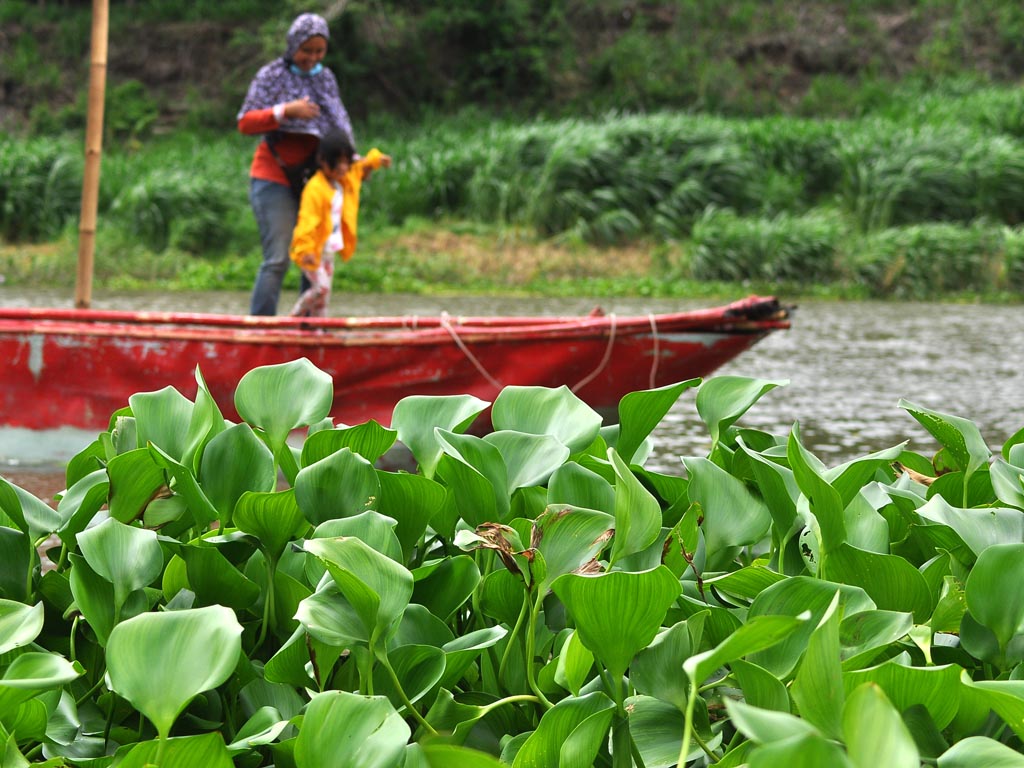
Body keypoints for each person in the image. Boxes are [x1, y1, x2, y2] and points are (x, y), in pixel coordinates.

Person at [237, 12, 355, 316]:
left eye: (319, 51)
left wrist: (355, 164)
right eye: (306, 50)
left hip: (314, 181)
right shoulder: (271, 75)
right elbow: (245, 122)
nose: (311, 57)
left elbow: (339, 127)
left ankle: (306, 328)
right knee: (277, 258)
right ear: (292, 46)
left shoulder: (325, 78)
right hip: (273, 175)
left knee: (311, 254)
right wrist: (284, 111)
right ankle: (259, 331)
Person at [289, 130, 392, 317]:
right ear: (323, 161)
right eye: (338, 162)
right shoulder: (315, 189)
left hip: (329, 250)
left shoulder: (343, 181)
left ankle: (320, 331)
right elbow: (307, 220)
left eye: (346, 162)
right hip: (312, 251)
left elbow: (361, 166)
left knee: (325, 298)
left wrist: (376, 160)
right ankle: (293, 318)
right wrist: (306, 249)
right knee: (321, 288)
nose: (343, 167)